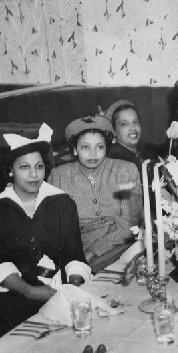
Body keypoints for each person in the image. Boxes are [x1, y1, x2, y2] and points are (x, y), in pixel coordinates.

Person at [0, 124, 91, 343]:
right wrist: (31, 292)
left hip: (56, 290)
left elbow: (73, 255)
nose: (34, 174)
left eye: (39, 166)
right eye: (24, 167)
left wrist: (72, 287)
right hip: (11, 297)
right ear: (10, 171)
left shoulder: (62, 203)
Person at [48, 115, 142, 273]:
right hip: (77, 250)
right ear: (74, 149)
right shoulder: (59, 176)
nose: (93, 154)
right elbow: (56, 228)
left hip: (120, 244)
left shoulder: (125, 170)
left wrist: (91, 253)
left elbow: (128, 224)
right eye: (85, 147)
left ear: (106, 148)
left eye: (99, 147)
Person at [105, 99, 160, 180]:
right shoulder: (116, 158)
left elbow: (159, 150)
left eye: (135, 122)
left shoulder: (139, 146)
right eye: (124, 124)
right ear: (114, 131)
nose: (133, 128)